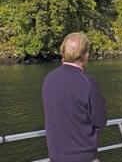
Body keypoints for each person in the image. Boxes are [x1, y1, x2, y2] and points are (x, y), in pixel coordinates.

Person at [42, 32, 107, 162]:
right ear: (85, 56)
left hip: (56, 156)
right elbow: (100, 120)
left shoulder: (49, 78)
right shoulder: (87, 83)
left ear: (62, 53)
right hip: (82, 156)